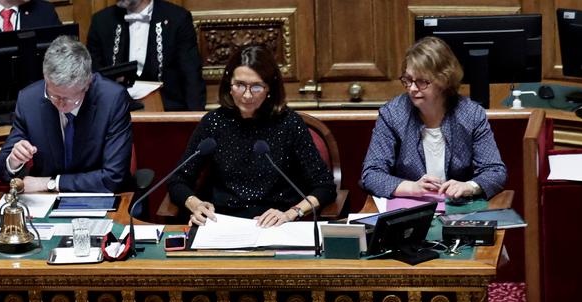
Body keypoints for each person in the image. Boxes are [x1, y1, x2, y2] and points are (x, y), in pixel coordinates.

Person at [167, 45, 335, 227]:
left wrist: (291, 213)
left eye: (256, 86)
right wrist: (196, 204)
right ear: (228, 85)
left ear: (269, 88)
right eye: (239, 85)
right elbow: (178, 180)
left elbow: (324, 187)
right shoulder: (214, 122)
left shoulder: (289, 124)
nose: (247, 95)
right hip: (223, 224)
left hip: (276, 224)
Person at [360, 37, 507, 202]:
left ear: (444, 80)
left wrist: (469, 186)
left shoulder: (471, 114)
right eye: (408, 80)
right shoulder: (393, 114)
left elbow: (495, 171)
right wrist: (412, 187)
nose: (413, 89)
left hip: (458, 209)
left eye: (422, 81)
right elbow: (371, 174)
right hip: (409, 209)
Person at [0, 36, 133, 194]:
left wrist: (51, 183)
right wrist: (14, 161)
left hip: (97, 198)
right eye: (54, 96)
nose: (60, 104)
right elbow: (1, 169)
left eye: (68, 99)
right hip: (45, 203)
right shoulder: (29, 100)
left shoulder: (111, 99)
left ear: (88, 83)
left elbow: (113, 178)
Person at [87, 0, 205, 112]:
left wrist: (194, 124)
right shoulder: (101, 21)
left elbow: (191, 76)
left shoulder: (177, 18)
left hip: (168, 113)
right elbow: (93, 76)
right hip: (115, 113)